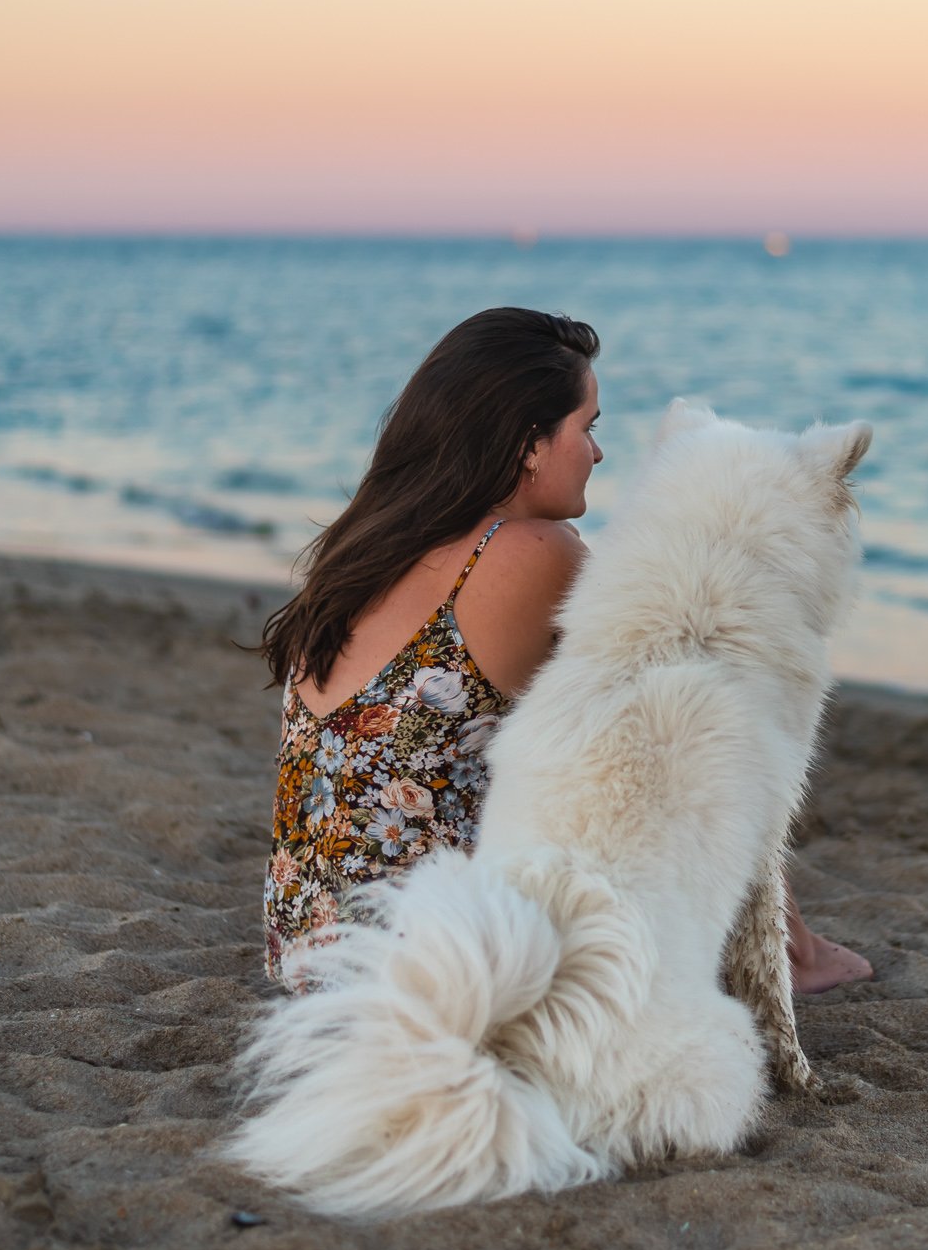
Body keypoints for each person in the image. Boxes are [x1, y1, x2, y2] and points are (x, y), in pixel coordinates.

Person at [259, 306, 872, 992]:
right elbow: (684, 737)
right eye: (589, 428)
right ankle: (795, 952)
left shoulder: (367, 545)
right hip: (434, 958)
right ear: (529, 443)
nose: (599, 453)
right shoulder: (530, 555)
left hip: (310, 945)